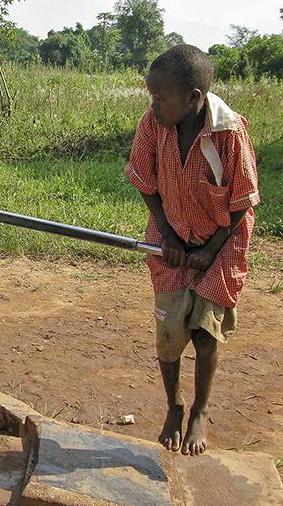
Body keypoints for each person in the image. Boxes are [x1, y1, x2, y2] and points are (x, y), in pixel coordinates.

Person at [125, 45, 261, 456]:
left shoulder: (229, 133)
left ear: (194, 98)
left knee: (205, 333)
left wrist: (212, 248)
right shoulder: (154, 124)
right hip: (171, 238)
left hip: (223, 241)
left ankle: (200, 410)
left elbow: (244, 199)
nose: (154, 105)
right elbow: (144, 180)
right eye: (151, 96)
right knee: (169, 335)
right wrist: (167, 235)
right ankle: (174, 406)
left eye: (161, 98)